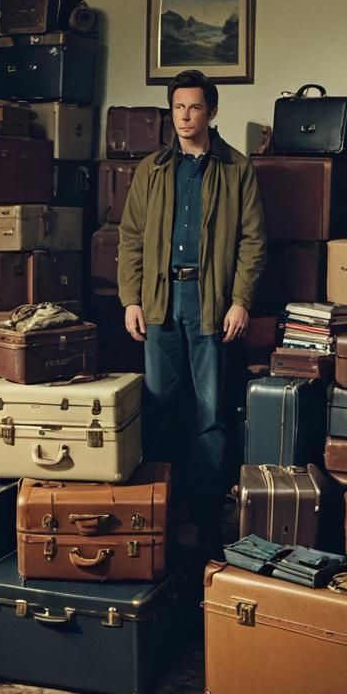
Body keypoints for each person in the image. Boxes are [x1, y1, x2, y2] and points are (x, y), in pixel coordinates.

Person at [118, 69, 267, 548]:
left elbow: (252, 241)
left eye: (195, 107)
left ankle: (206, 519)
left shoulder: (236, 168)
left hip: (210, 301)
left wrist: (240, 301)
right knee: (160, 407)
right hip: (159, 300)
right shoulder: (152, 169)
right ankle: (162, 509)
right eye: (178, 107)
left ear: (212, 111)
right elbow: (131, 238)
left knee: (211, 410)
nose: (185, 116)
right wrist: (131, 299)